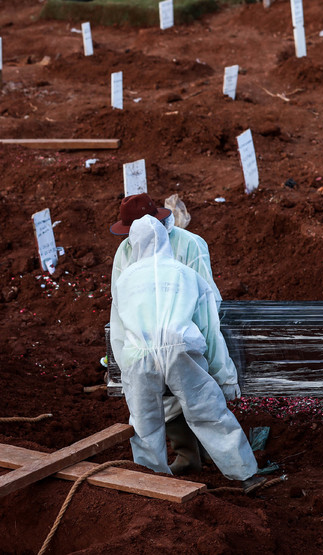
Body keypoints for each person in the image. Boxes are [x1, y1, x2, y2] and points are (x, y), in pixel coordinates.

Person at [110, 215, 264, 493]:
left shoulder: (125, 280)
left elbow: (118, 333)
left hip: (138, 355)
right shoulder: (186, 274)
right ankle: (245, 476)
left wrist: (127, 373)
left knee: (144, 424)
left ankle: (151, 484)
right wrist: (224, 377)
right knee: (209, 412)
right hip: (180, 348)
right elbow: (209, 330)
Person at [110, 193, 222, 475]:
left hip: (184, 334)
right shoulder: (124, 253)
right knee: (158, 408)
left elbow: (208, 299)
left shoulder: (189, 244)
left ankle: (217, 460)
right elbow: (120, 304)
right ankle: (185, 458)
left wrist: (205, 344)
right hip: (146, 342)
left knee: (204, 401)